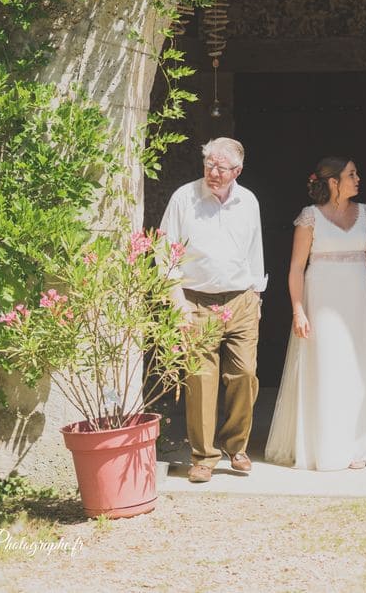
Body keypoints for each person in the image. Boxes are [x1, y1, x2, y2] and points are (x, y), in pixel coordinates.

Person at [265, 157, 366, 470]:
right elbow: (296, 267)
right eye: (351, 174)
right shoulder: (310, 217)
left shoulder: (365, 214)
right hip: (321, 298)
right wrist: (298, 309)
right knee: (326, 366)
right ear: (333, 182)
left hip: (358, 300)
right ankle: (328, 444)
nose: (358, 178)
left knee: (357, 368)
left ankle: (358, 445)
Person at [160, 137, 266, 483]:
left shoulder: (248, 201)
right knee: (201, 380)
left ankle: (236, 446)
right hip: (196, 299)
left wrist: (256, 296)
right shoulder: (184, 198)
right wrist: (178, 303)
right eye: (209, 165)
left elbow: (254, 251)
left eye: (221, 168)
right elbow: (166, 252)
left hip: (241, 299)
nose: (213, 173)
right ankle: (203, 456)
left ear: (237, 170)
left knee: (244, 374)